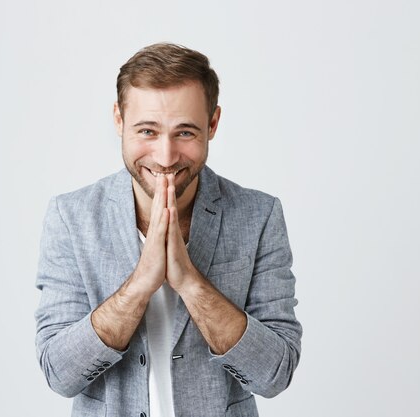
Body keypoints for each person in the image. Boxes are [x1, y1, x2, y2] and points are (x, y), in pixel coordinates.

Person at [34, 43, 302, 417]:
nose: (165, 156)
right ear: (118, 119)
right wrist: (140, 285)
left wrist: (190, 282)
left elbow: (275, 374)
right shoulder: (71, 217)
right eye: (147, 131)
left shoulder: (259, 215)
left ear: (212, 124)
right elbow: (60, 374)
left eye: (185, 133)